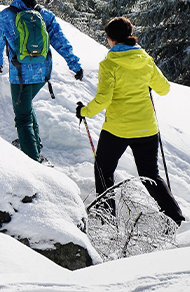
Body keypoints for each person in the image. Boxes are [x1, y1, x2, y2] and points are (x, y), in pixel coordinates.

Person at [77, 17, 184, 226]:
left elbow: (104, 99)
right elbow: (164, 88)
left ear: (111, 39)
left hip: (118, 128)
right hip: (146, 128)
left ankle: (107, 220)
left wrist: (84, 111)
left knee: (104, 170)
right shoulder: (145, 59)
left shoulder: (109, 64)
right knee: (150, 174)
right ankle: (174, 216)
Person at [0, 0, 83, 162]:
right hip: (42, 74)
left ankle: (33, 161)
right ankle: (33, 143)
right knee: (26, 107)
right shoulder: (45, 15)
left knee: (22, 117)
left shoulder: (7, 15)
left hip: (19, 74)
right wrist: (75, 65)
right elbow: (61, 41)